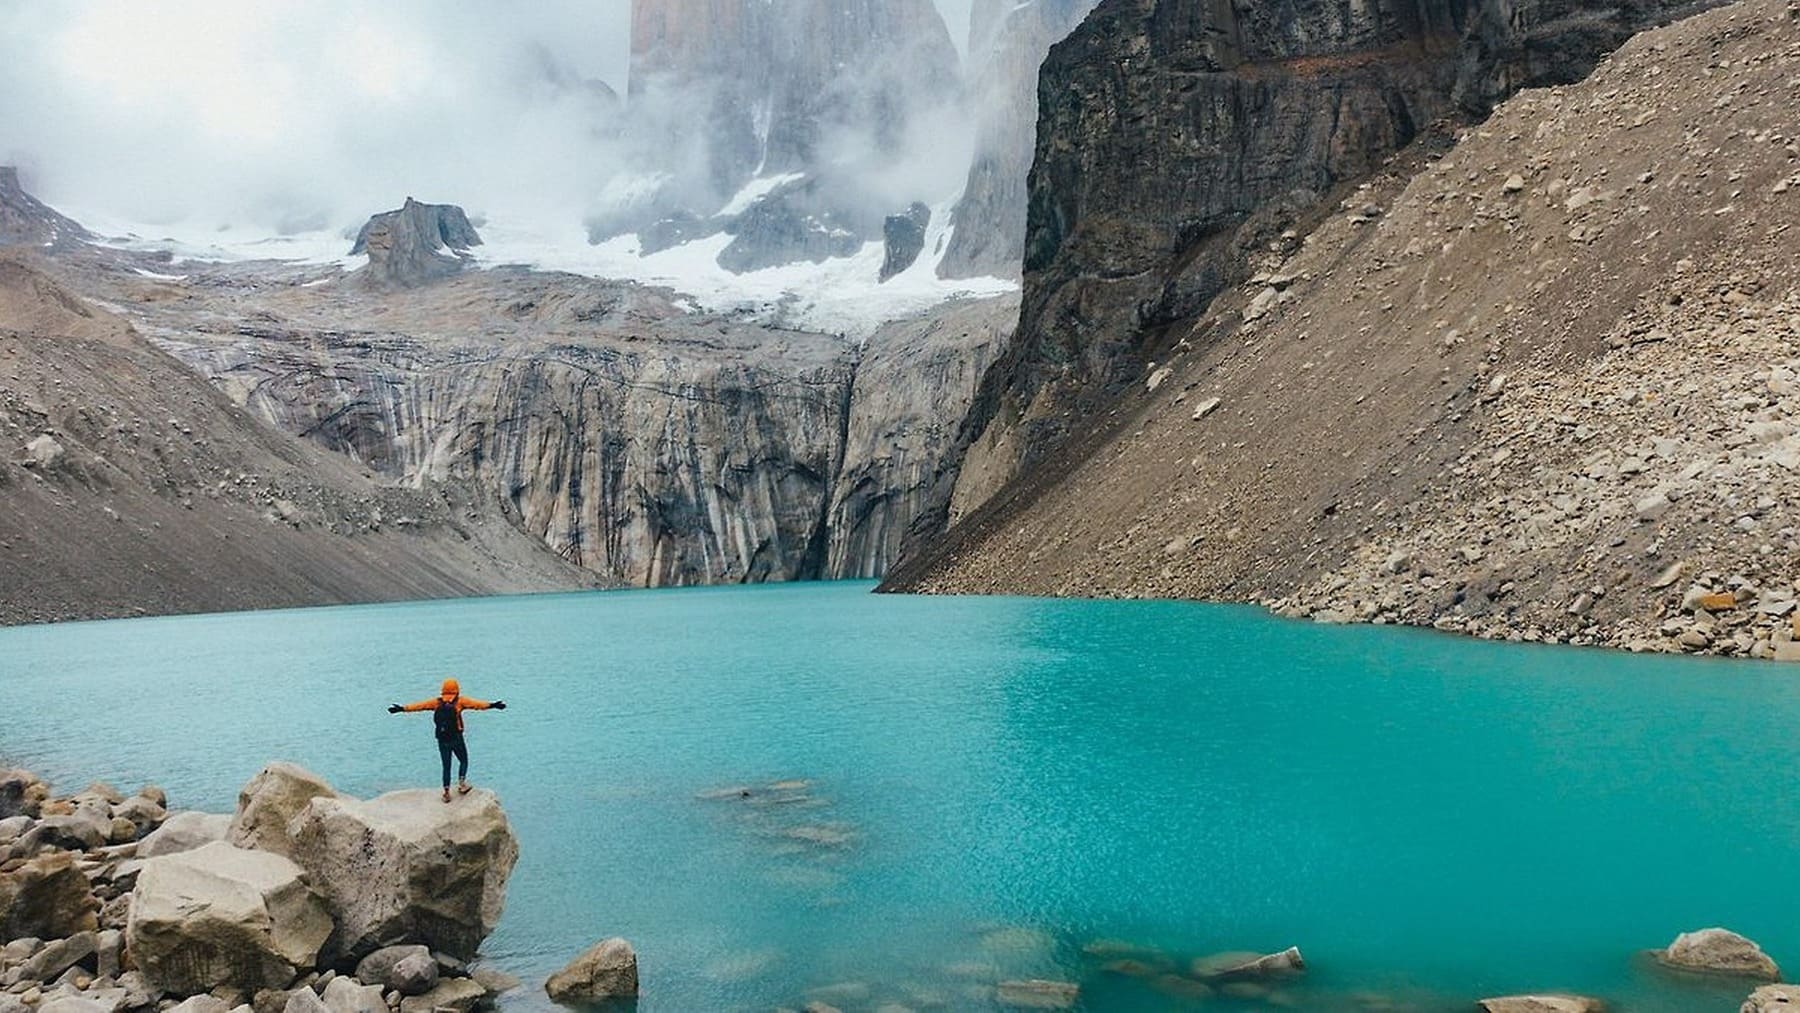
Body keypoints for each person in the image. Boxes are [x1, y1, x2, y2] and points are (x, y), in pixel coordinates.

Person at [388, 679, 507, 803]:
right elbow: (477, 705)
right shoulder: (460, 701)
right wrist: (493, 705)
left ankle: (446, 792)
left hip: (442, 738)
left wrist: (402, 709)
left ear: (443, 690)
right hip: (456, 737)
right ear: (457, 690)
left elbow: (419, 706)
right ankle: (462, 783)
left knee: (446, 766)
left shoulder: (436, 702)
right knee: (463, 760)